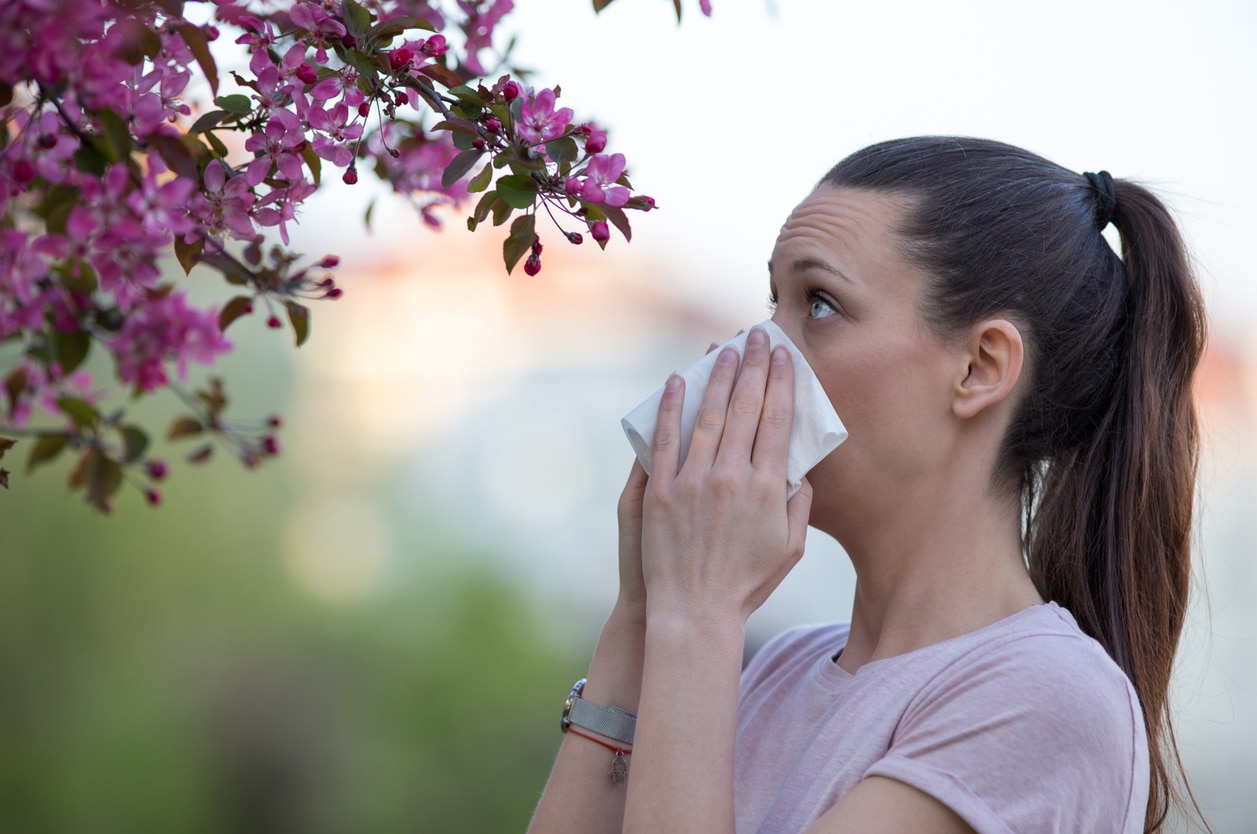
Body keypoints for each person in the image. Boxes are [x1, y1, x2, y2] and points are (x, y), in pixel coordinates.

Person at [526, 136, 1206, 834]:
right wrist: (643, 613)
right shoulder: (783, 669)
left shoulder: (1043, 699)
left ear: (978, 367)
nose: (751, 354)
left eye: (818, 305)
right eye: (773, 304)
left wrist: (696, 614)